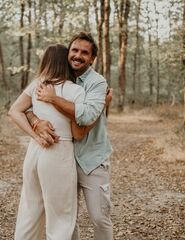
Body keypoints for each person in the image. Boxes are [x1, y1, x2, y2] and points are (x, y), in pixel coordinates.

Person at [26, 32, 113, 240]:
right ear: (67, 52)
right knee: (66, 218)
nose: (78, 56)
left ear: (92, 58)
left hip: (92, 159)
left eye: (85, 53)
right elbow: (27, 107)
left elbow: (84, 118)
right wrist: (35, 122)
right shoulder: (55, 77)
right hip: (62, 159)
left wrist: (54, 99)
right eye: (74, 50)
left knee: (100, 217)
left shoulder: (97, 83)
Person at [8, 44, 86, 240]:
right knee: (60, 217)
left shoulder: (37, 85)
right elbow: (80, 130)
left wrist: (34, 135)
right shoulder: (76, 91)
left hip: (34, 152)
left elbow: (14, 111)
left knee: (30, 210)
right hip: (58, 152)